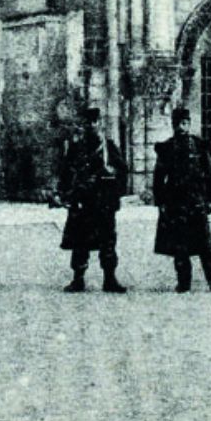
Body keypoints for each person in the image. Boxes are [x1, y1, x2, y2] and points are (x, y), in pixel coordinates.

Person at [153, 107, 211, 293]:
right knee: (180, 245)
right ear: (173, 125)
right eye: (177, 124)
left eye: (184, 123)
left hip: (196, 200)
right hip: (175, 202)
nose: (181, 127)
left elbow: (210, 174)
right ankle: (183, 282)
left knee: (205, 244)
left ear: (189, 124)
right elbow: (158, 178)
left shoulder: (199, 146)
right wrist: (161, 203)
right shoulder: (166, 148)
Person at [57, 104, 129, 293]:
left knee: (108, 241)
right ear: (83, 125)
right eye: (87, 122)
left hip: (104, 202)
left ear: (100, 123)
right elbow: (65, 172)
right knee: (80, 242)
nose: (90, 126)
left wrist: (114, 188)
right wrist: (64, 193)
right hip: (83, 202)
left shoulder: (108, 147)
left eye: (94, 122)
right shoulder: (76, 148)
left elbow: (123, 170)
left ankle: (110, 279)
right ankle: (78, 279)